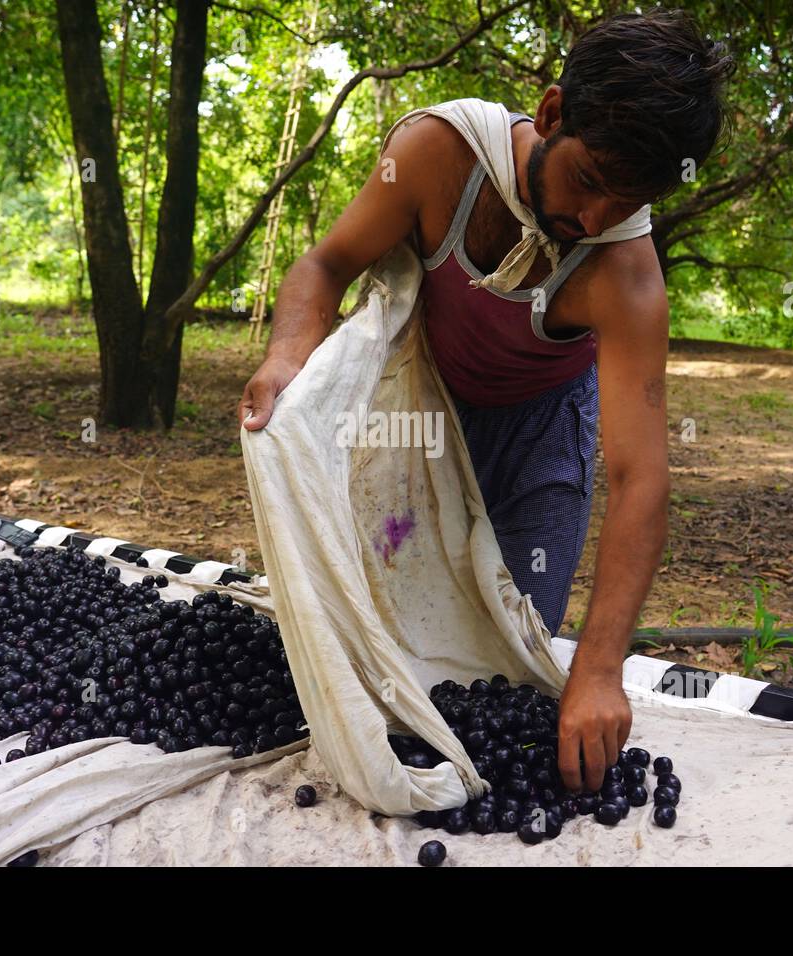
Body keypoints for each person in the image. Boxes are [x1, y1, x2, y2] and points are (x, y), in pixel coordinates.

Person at [238, 9, 734, 793]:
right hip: (420, 416)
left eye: (628, 200)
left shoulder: (625, 273)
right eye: (590, 181)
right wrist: (288, 355)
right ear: (550, 113)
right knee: (385, 639)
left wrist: (600, 673)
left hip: (541, 432)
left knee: (501, 661)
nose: (594, 219)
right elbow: (326, 265)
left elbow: (642, 480)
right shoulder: (437, 156)